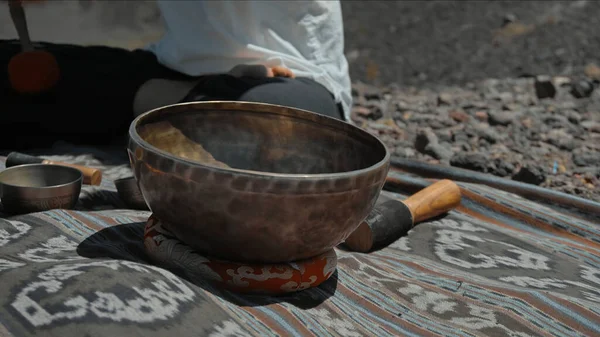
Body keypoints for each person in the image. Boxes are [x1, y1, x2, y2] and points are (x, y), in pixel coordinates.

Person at [0, 0, 352, 150]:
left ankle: (163, 103)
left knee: (271, 119)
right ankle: (174, 101)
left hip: (292, 80)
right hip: (173, 67)